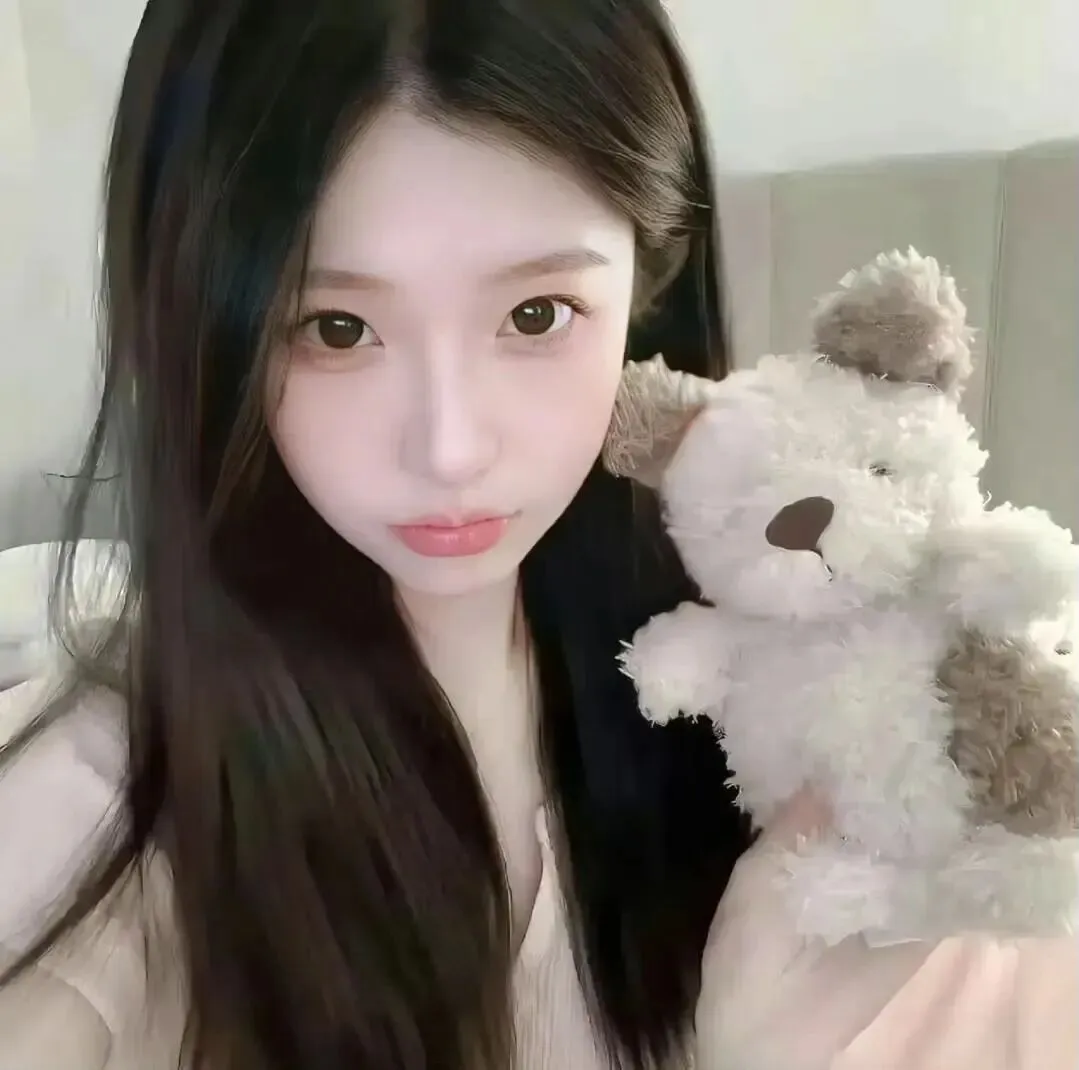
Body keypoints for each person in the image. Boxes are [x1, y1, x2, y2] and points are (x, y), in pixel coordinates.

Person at [0, 2, 1074, 1068]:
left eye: (535, 315)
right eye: (336, 328)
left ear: (644, 289)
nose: (450, 448)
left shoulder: (786, 665)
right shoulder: (103, 801)